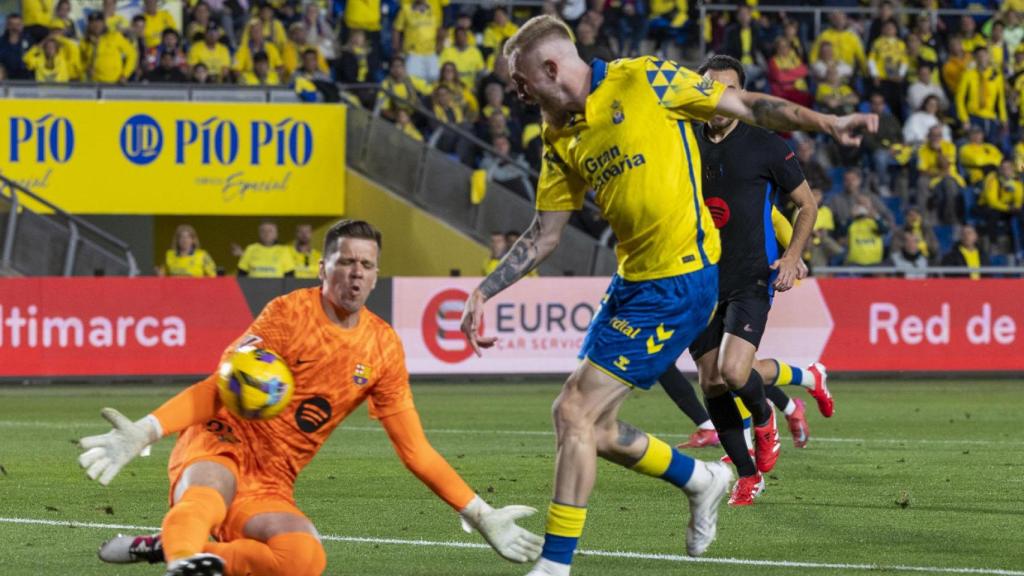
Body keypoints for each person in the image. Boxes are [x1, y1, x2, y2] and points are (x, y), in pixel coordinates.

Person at [458, 15, 876, 576]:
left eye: (520, 79)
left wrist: (825, 120)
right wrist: (485, 290)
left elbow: (750, 108)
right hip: (632, 282)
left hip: (683, 281)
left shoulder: (645, 80)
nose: (517, 91)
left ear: (551, 67)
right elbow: (545, 234)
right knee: (592, 427)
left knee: (573, 409)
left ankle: (554, 567)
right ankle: (700, 478)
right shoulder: (559, 134)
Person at [78, 220, 544, 576]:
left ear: (377, 275)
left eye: (365, 265)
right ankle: (184, 560)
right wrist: (147, 429)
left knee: (305, 557)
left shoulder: (382, 348)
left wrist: (480, 514)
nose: (355, 274)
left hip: (273, 480)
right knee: (207, 497)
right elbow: (220, 386)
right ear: (323, 268)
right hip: (220, 444)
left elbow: (415, 449)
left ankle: (179, 545)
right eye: (345, 262)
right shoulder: (286, 314)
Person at [682, 55, 826, 506]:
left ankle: (764, 417)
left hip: (750, 278)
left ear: (742, 95)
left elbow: (807, 204)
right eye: (710, 89)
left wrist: (792, 256)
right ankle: (748, 475)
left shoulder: (766, 145)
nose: (719, 99)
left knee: (734, 371)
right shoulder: (682, 140)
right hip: (698, 280)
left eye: (728, 91)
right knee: (710, 383)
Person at [81, 12, 138, 84]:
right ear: (89, 25)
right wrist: (86, 68)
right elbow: (80, 61)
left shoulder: (114, 36)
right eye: (92, 22)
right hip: (94, 84)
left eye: (98, 22)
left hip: (116, 83)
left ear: (104, 23)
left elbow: (132, 54)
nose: (96, 25)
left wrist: (124, 75)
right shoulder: (84, 42)